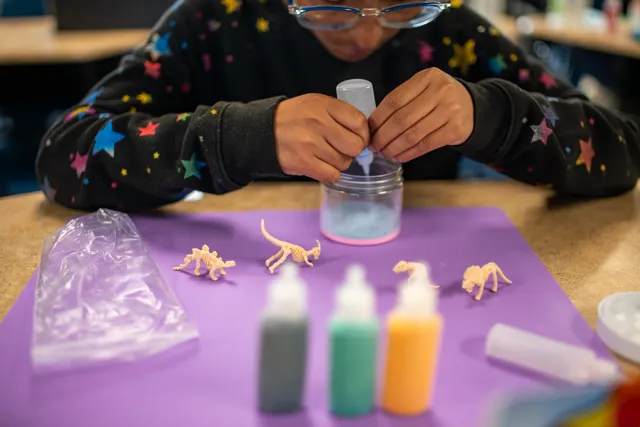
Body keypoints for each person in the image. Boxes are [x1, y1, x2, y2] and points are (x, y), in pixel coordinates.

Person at [36, 0, 640, 211]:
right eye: (329, 2)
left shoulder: (451, 33)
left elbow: (620, 147)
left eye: (400, 4)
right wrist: (240, 137)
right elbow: (66, 154)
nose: (364, 33)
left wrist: (493, 117)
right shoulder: (215, 21)